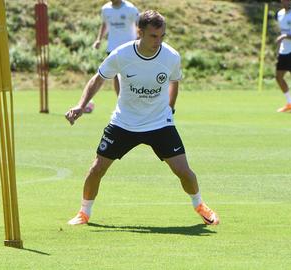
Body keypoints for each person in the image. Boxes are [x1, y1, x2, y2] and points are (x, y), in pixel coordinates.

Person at [65, 10, 219, 226]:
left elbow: (175, 82)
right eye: (153, 36)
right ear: (140, 32)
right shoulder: (122, 54)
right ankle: (84, 213)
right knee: (96, 169)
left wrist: (170, 108)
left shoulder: (171, 56)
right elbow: (98, 79)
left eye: (162, 36)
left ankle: (200, 205)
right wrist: (81, 105)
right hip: (124, 122)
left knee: (184, 171)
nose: (158, 41)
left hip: (159, 123)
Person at [93, 0, 140, 96]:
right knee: (116, 75)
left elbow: (139, 24)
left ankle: (134, 98)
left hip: (129, 47)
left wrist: (139, 39)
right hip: (113, 47)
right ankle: (120, 100)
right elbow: (105, 24)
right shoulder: (106, 9)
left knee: (131, 74)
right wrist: (99, 39)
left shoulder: (130, 8)